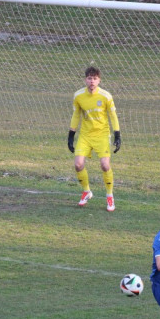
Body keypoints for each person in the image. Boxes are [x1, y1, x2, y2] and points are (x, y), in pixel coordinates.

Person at [67, 66, 121, 211]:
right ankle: (86, 191)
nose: (92, 81)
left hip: (102, 135)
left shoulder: (106, 96)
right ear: (85, 79)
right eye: (89, 78)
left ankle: (109, 196)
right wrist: (71, 135)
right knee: (78, 164)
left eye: (95, 78)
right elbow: (76, 115)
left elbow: (113, 116)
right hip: (85, 135)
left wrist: (117, 134)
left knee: (105, 165)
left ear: (99, 80)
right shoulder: (78, 96)